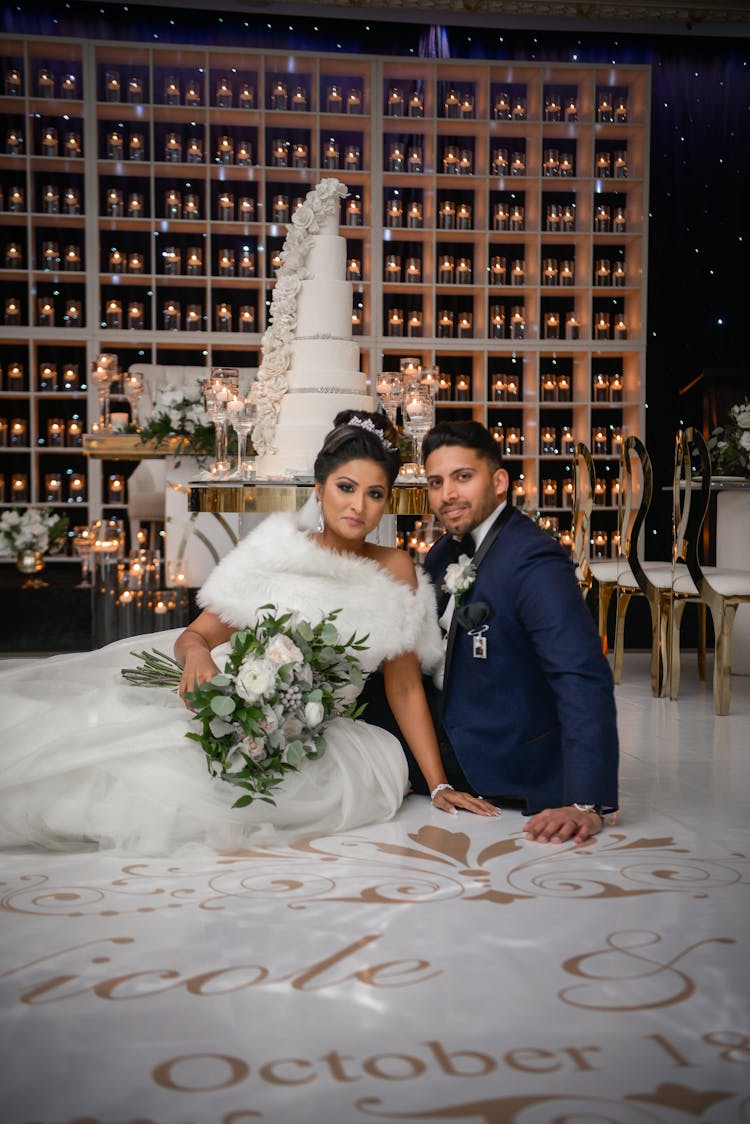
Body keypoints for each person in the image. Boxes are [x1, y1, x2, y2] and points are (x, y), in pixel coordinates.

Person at [0, 411, 496, 855]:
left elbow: (404, 684)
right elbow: (194, 636)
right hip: (232, 700)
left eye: (374, 494)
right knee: (140, 759)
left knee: (250, 793)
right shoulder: (276, 551)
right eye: (346, 487)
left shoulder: (397, 569)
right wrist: (198, 658)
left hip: (324, 734)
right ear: (319, 488)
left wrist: (436, 785)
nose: (358, 507)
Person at [413, 419, 619, 845]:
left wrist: (586, 800)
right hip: (447, 727)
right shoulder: (440, 552)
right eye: (436, 482)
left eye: (462, 477)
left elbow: (581, 675)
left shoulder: (534, 560)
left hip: (500, 756)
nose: (447, 494)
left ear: (500, 481)